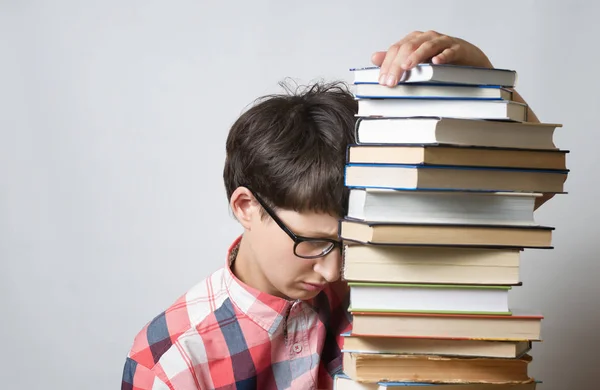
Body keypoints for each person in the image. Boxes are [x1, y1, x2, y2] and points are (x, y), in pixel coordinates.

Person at [121, 30, 545, 390]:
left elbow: (521, 198)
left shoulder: (378, 273)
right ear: (247, 207)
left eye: (350, 243)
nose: (333, 271)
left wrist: (487, 85)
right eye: (315, 243)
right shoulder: (173, 362)